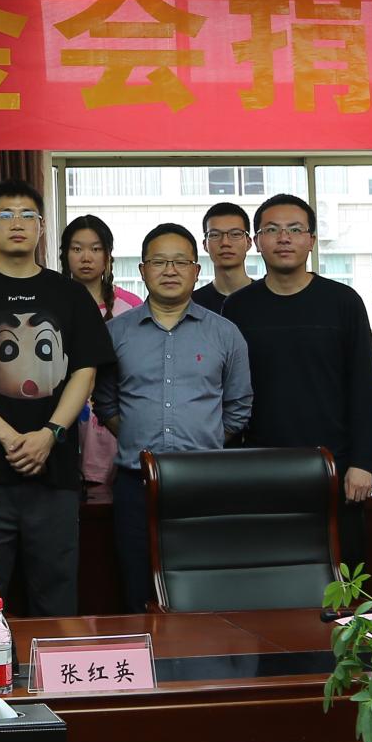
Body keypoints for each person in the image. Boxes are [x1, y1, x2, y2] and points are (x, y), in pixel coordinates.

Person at [0, 178, 114, 617]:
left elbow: (84, 373)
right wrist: (10, 438)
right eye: (7, 215)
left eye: (28, 215)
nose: (18, 223)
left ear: (42, 227)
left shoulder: (70, 295)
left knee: (57, 597)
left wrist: (49, 434)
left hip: (55, 474)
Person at [92, 224, 253, 614]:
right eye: (159, 261)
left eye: (180, 261)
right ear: (143, 270)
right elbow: (105, 402)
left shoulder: (225, 333)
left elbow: (238, 407)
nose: (170, 270)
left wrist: (203, 440)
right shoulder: (115, 333)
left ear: (196, 271)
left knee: (204, 588)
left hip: (204, 481)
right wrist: (136, 437)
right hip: (135, 483)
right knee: (136, 586)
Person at [222, 193, 372, 565]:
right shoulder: (238, 308)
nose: (284, 238)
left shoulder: (343, 302)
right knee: (270, 571)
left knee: (343, 574)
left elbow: (364, 388)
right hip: (261, 467)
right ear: (256, 241)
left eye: (295, 229)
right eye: (272, 230)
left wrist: (363, 463)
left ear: (311, 240)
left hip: (336, 467)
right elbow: (227, 391)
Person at [60, 215, 142, 501]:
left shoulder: (131, 306)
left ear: (108, 256)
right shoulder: (52, 304)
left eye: (95, 249)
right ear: (65, 254)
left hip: (115, 420)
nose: (86, 257)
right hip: (63, 420)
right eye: (77, 249)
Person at [192, 202, 255, 314]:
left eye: (235, 234)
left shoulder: (267, 298)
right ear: (205, 245)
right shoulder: (192, 304)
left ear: (249, 243)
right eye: (215, 235)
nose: (225, 243)